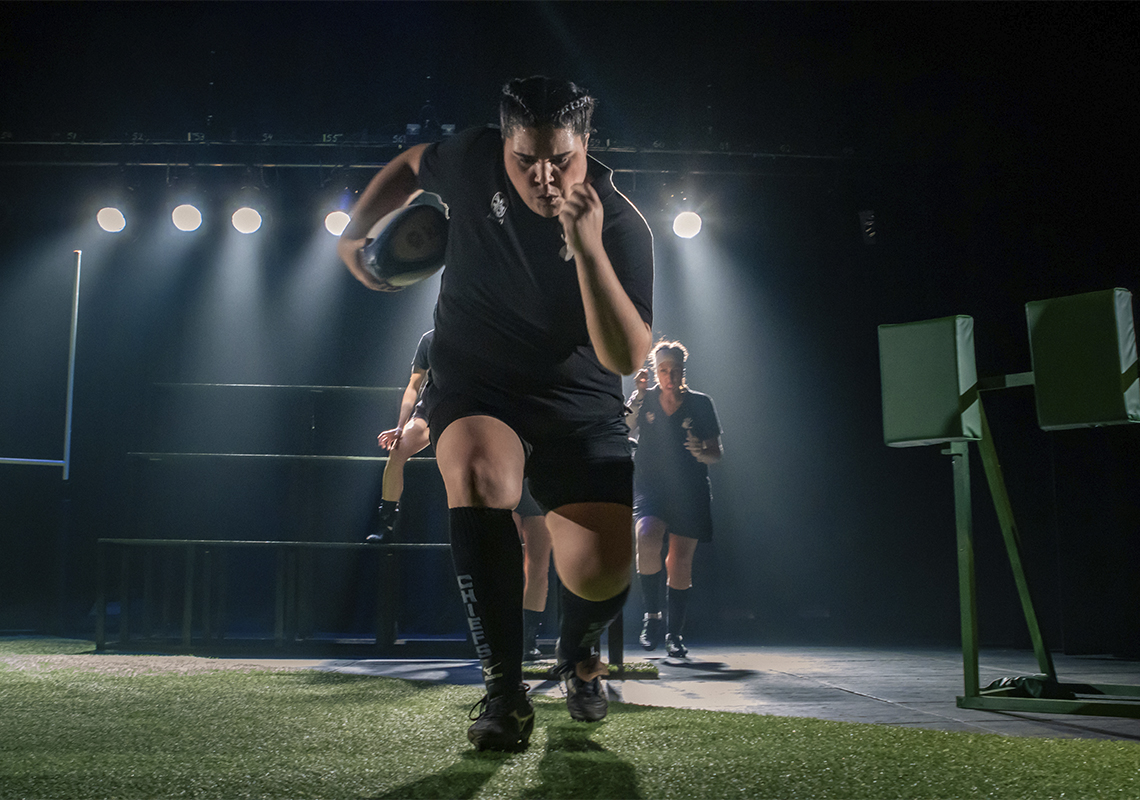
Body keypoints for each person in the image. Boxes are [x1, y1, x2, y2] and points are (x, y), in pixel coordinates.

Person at [337, 76, 653, 751]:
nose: (543, 176)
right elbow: (411, 163)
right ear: (503, 144)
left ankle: (577, 647)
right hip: (477, 381)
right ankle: (505, 694)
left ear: (586, 143)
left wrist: (588, 248)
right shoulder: (471, 157)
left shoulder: (623, 225)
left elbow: (627, 357)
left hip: (578, 400)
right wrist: (353, 232)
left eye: (560, 159)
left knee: (603, 574)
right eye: (525, 158)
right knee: (479, 473)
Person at [627, 340, 722, 658]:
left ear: (683, 370)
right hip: (651, 485)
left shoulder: (700, 403)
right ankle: (651, 617)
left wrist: (701, 452)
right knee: (646, 534)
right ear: (655, 371)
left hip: (689, 490)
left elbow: (715, 453)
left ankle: (675, 634)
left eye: (675, 369)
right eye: (663, 370)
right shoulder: (645, 399)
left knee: (679, 560)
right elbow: (623, 428)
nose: (669, 376)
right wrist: (637, 396)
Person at [368, 329, 434, 542]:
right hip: (432, 409)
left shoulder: (475, 333)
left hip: (465, 411)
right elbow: (414, 385)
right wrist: (399, 427)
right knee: (397, 450)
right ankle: (386, 525)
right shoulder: (430, 339)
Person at [514, 479, 552, 661]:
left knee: (538, 568)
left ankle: (528, 640)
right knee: (505, 566)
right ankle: (505, 636)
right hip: (506, 482)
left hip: (538, 485)